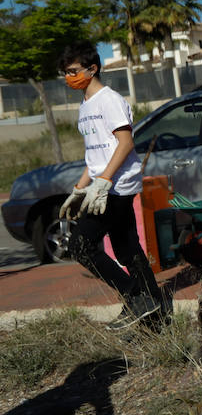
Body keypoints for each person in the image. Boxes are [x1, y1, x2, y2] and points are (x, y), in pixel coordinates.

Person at [58, 41, 168, 330]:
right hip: (103, 186)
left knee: (81, 246)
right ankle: (156, 316)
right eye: (66, 73)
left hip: (117, 187)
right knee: (127, 249)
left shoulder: (109, 100)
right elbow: (96, 155)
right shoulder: (85, 105)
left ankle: (135, 297)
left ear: (93, 69)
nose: (69, 78)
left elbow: (125, 142)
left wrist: (104, 181)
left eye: (73, 71)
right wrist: (79, 189)